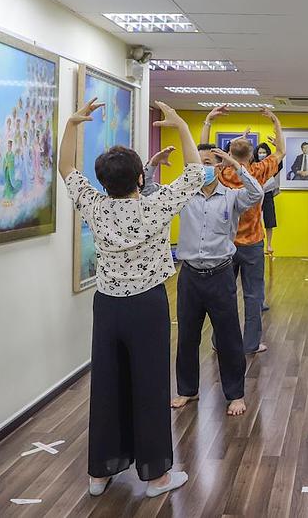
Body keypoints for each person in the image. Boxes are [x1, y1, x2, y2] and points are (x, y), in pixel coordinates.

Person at [59, 98, 203, 500]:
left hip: (107, 307)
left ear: (103, 181)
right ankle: (156, 477)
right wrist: (182, 126)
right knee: (151, 385)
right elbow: (195, 172)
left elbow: (66, 167)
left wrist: (72, 124)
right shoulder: (157, 206)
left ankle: (99, 474)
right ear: (141, 177)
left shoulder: (94, 206)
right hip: (147, 307)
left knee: (107, 384)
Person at [143, 143, 262, 417]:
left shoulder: (231, 197)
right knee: (187, 336)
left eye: (207, 162)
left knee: (229, 339)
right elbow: (147, 191)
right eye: (197, 163)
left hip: (221, 275)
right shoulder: (182, 195)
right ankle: (188, 389)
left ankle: (235, 395)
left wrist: (236, 165)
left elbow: (256, 193)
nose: (202, 168)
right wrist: (153, 164)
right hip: (190, 277)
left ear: (218, 166)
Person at [202, 105, 286, 353]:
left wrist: (208, 121)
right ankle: (251, 343)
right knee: (253, 296)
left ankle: (219, 342)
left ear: (227, 154)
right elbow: (281, 151)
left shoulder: (220, 173)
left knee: (224, 295)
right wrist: (275, 122)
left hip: (225, 244)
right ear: (251, 157)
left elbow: (202, 154)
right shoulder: (257, 172)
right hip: (252, 243)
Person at [254, 142, 281, 255]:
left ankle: (269, 244)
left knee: (269, 219)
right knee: (254, 219)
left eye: (264, 152)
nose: (262, 154)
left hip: (268, 193)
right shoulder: (254, 164)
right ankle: (256, 242)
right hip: (255, 195)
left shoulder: (271, 164)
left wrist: (277, 146)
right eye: (260, 152)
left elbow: (280, 162)